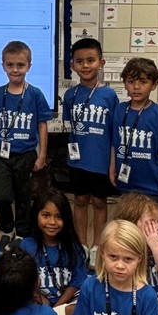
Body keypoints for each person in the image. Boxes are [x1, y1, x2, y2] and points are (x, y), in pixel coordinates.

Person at [0, 40, 52, 245]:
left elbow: (42, 126)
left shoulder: (35, 94)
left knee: (24, 196)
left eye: (20, 65)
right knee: (1, 196)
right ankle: (7, 227)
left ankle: (22, 231)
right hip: (2, 156)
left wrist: (41, 155)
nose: (15, 70)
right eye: (10, 65)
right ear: (3, 65)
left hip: (26, 154)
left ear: (29, 67)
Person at [62, 38, 118, 257]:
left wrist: (112, 163)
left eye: (91, 60)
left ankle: (97, 246)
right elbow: (71, 126)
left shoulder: (109, 96)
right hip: (77, 159)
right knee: (80, 200)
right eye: (80, 61)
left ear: (101, 63)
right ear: (73, 66)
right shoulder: (70, 95)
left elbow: (113, 132)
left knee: (99, 201)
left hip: (101, 160)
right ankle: (81, 245)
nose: (85, 66)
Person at [110, 56, 158, 212]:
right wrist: (112, 168)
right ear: (124, 83)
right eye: (131, 81)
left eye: (143, 82)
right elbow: (114, 143)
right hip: (126, 184)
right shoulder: (119, 109)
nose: (136, 87)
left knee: (156, 228)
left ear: (154, 85)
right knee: (128, 230)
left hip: (152, 186)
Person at [19, 189, 88, 315]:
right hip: (38, 301)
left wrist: (57, 307)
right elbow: (23, 282)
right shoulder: (27, 245)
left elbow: (77, 282)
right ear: (36, 215)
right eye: (46, 215)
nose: (52, 222)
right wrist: (39, 299)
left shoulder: (74, 247)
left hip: (66, 302)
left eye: (59, 217)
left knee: (83, 305)